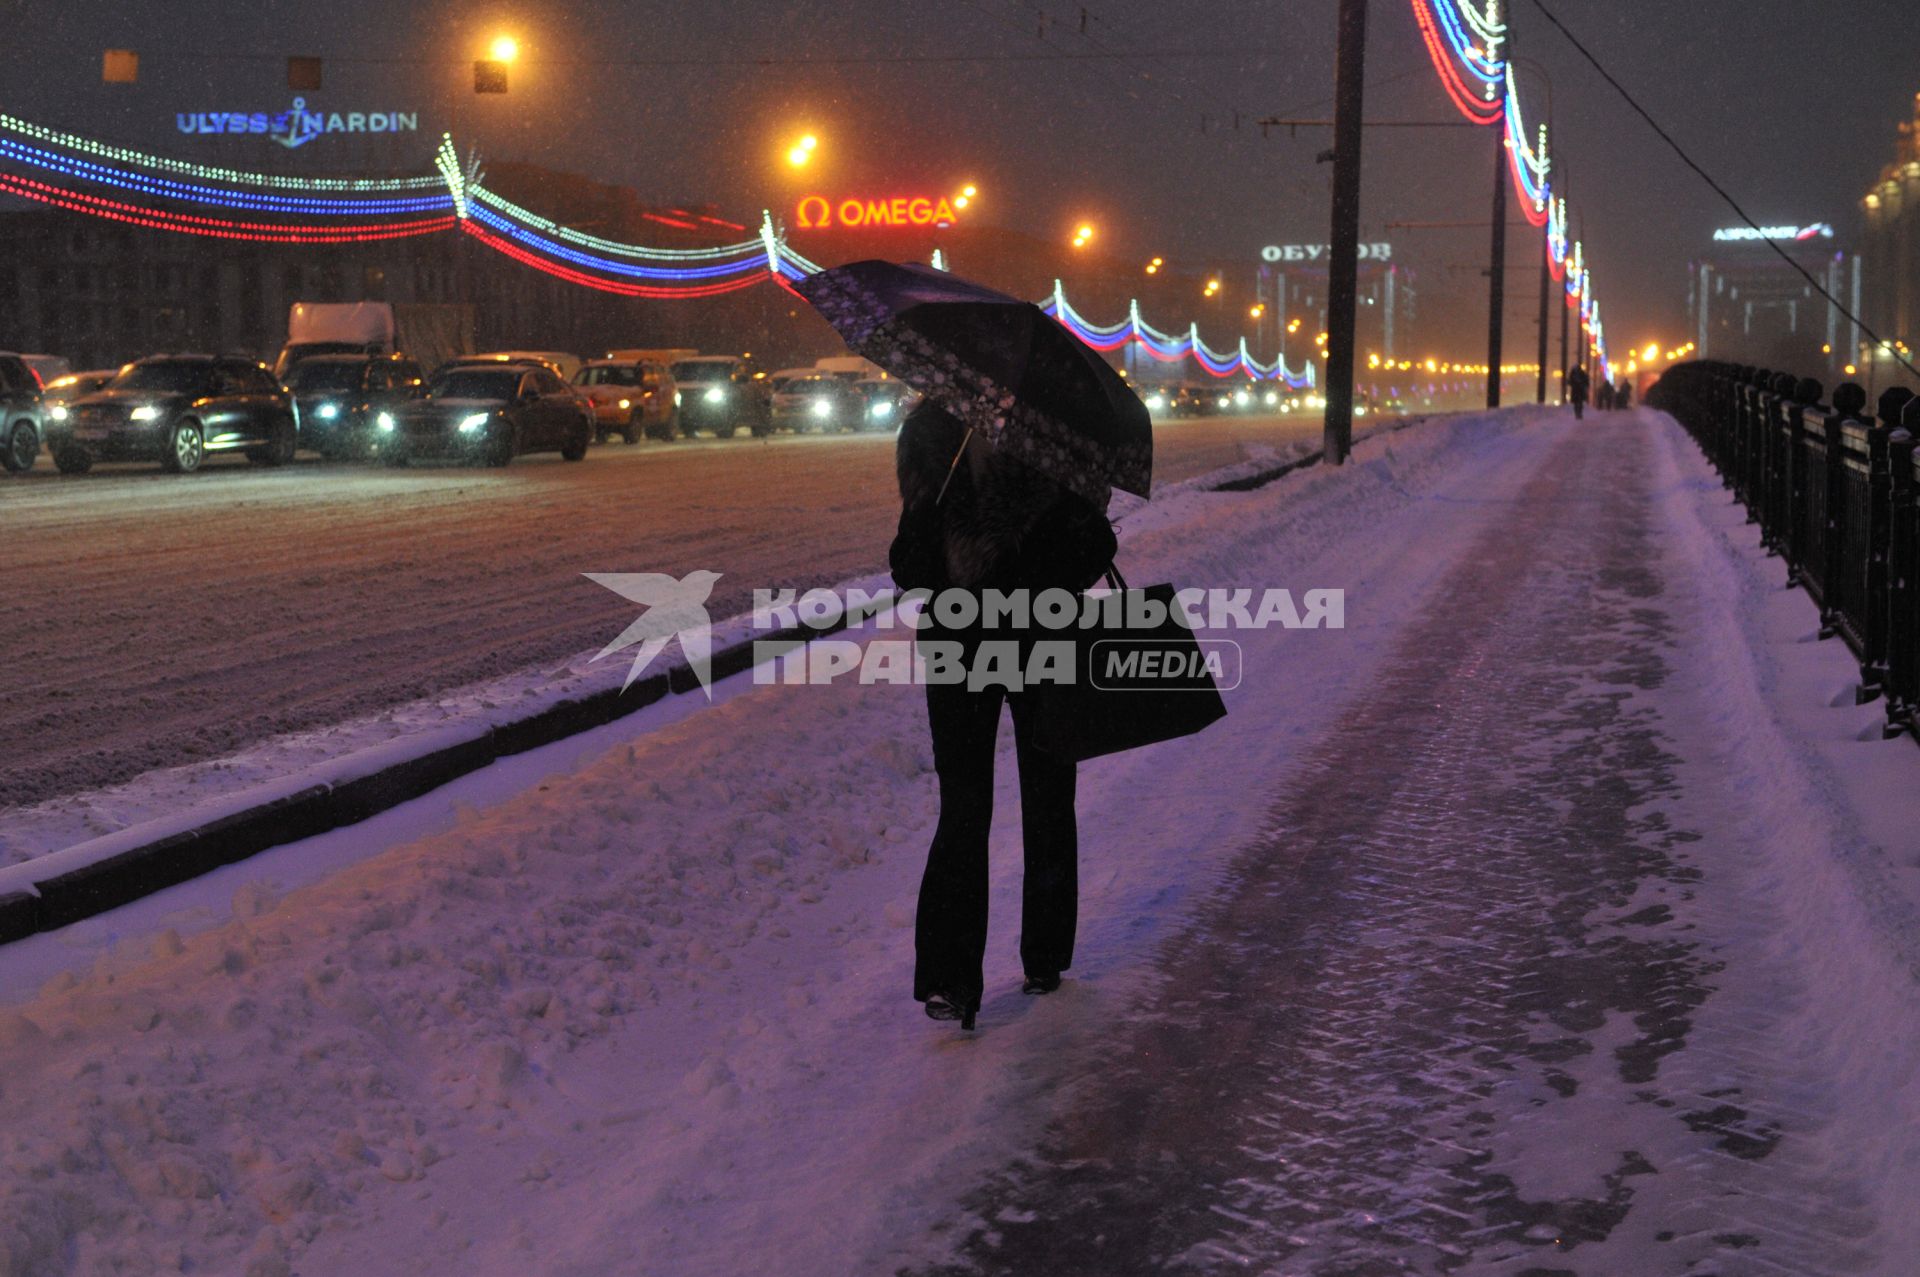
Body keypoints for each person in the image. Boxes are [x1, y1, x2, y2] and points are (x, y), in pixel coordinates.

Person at [889, 400, 1117, 1031]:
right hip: (1039, 639)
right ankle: (1040, 958)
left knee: (966, 806)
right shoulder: (1061, 431)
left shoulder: (930, 433)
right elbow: (1096, 545)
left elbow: (909, 567)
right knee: (1044, 799)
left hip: (961, 644)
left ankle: (952, 979)